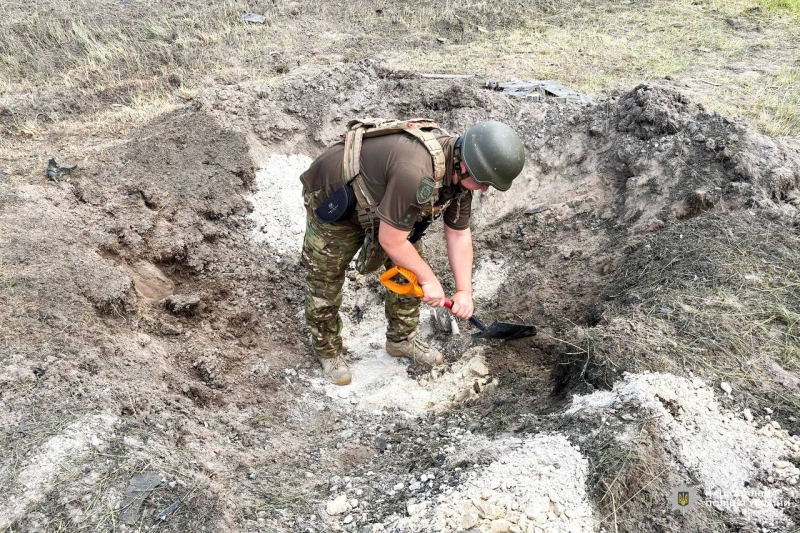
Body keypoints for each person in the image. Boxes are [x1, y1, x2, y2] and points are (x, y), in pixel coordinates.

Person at [299, 119, 525, 385]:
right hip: (337, 195)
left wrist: (464, 291)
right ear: (464, 166)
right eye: (484, 182)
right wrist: (430, 280)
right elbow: (392, 240)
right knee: (326, 278)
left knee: (410, 273)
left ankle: (401, 340)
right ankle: (328, 350)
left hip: (385, 200)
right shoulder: (416, 172)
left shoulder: (460, 177)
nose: (486, 188)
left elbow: (459, 232)